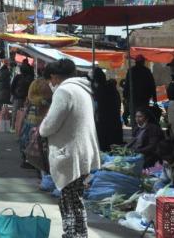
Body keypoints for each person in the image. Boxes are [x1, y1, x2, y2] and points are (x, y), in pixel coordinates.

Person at [39, 59, 101, 238]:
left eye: (50, 80)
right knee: (76, 200)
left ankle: (73, 235)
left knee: (70, 203)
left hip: (70, 155)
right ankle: (79, 234)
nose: (51, 84)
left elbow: (49, 125)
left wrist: (41, 129)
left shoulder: (64, 91)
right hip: (83, 153)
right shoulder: (82, 89)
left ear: (54, 76)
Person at [20, 65, 53, 169]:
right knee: (31, 138)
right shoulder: (40, 83)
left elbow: (30, 96)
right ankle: (29, 159)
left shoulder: (43, 83)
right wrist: (41, 101)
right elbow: (31, 96)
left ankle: (34, 160)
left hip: (40, 115)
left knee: (33, 139)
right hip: (36, 115)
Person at [91, 68, 123, 152]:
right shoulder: (112, 89)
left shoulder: (100, 90)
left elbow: (98, 107)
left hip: (105, 122)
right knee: (114, 146)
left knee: (105, 146)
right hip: (114, 121)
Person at [122, 55, 157, 124]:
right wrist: (154, 97)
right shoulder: (147, 71)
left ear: (136, 62)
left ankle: (135, 131)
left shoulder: (131, 71)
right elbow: (152, 85)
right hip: (144, 99)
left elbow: (127, 85)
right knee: (143, 116)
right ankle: (142, 131)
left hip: (133, 98)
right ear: (143, 62)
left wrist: (125, 96)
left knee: (135, 116)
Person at [10, 62, 34, 129]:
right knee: (25, 114)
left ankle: (14, 126)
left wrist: (13, 94)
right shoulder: (30, 78)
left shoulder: (18, 77)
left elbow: (12, 87)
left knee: (16, 112)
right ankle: (21, 127)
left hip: (18, 97)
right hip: (27, 98)